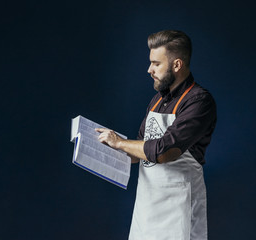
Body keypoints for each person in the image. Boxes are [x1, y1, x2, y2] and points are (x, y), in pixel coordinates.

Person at [96, 30, 217, 240]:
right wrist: (99, 148)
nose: (149, 69)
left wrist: (120, 143)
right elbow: (138, 151)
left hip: (178, 211)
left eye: (156, 63)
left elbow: (165, 152)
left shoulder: (199, 101)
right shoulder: (156, 101)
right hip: (147, 210)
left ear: (177, 65)